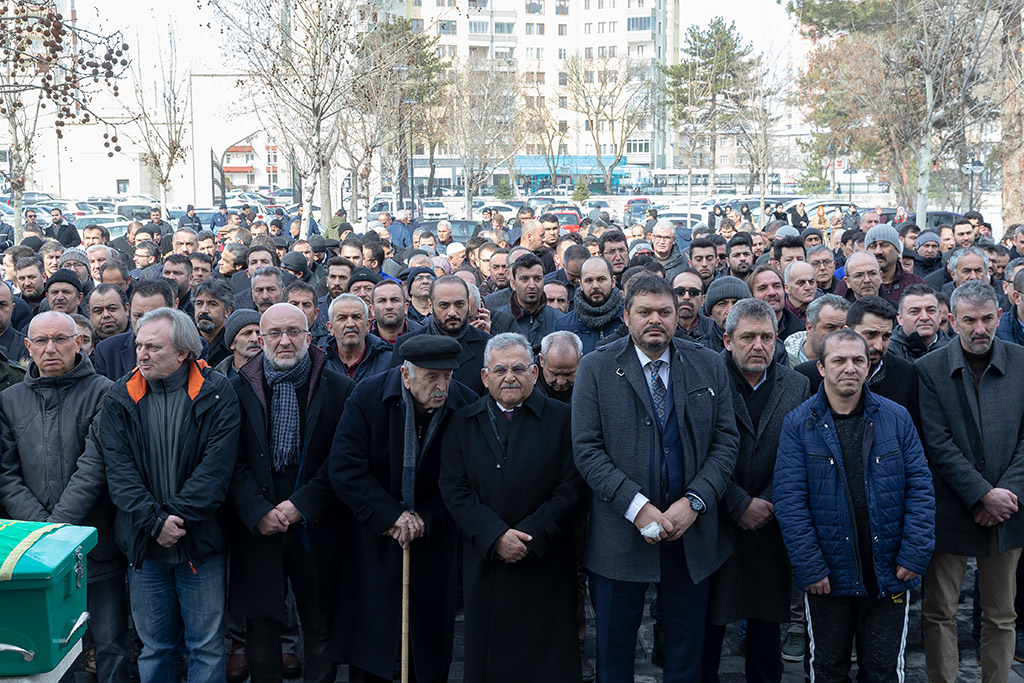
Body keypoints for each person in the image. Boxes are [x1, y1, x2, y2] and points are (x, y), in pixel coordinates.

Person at [572, 274, 739, 681]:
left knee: (686, 649)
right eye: (644, 311)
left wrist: (695, 502)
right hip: (619, 535)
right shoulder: (595, 368)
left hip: (691, 534)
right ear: (626, 315)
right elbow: (587, 450)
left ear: (678, 315)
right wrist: (637, 506)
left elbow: (726, 442)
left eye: (664, 312)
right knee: (614, 648)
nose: (655, 320)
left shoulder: (709, 363)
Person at [774, 329, 934, 682]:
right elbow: (789, 501)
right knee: (828, 669)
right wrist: (810, 567)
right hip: (827, 576)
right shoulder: (798, 424)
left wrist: (914, 553)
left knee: (883, 670)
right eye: (839, 360)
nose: (850, 368)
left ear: (868, 367)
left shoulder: (896, 418)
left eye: (858, 360)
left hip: (888, 571)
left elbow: (921, 488)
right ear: (820, 367)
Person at [100, 307, 241, 683]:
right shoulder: (119, 396)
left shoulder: (215, 391)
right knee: (155, 648)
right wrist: (154, 522)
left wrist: (174, 519)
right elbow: (119, 471)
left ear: (183, 353)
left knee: (207, 647)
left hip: (199, 543)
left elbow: (216, 469)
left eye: (153, 348)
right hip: (145, 546)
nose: (141, 355)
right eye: (139, 346)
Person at [328, 335, 477, 682]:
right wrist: (391, 516)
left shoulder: (464, 404)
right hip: (375, 537)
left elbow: (466, 479)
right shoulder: (367, 396)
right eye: (431, 377)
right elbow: (344, 467)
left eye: (447, 376)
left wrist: (426, 516)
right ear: (406, 376)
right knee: (371, 639)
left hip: (433, 537)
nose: (442, 387)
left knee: (427, 647)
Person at [440, 333, 586, 683]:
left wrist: (529, 538)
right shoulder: (462, 422)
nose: (510, 377)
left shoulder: (564, 419)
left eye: (519, 368)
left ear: (535, 373)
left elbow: (573, 488)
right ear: (485, 376)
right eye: (500, 369)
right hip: (487, 561)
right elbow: (453, 488)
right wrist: (495, 536)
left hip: (545, 560)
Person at [0, 311, 128, 683]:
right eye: (41, 341)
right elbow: (5, 474)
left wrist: (57, 529)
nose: (50, 348)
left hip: (95, 542)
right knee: (50, 647)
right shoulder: (9, 400)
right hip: (33, 551)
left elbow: (96, 465)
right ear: (28, 347)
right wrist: (43, 531)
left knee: (110, 642)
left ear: (79, 343)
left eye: (60, 339)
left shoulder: (104, 391)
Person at [228, 303, 353, 683]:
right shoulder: (236, 389)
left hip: (315, 522)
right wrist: (259, 511)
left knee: (319, 623)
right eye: (275, 333)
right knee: (261, 626)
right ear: (259, 340)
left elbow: (342, 459)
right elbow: (228, 462)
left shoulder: (338, 388)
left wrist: (301, 506)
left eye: (293, 332)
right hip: (258, 524)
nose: (285, 341)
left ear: (310, 336)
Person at [917, 280, 1024, 682]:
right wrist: (980, 493)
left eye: (987, 319)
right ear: (951, 321)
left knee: (1001, 613)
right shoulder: (928, 370)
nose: (979, 329)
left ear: (1000, 316)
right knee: (940, 610)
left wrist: (1004, 494)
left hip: (1009, 509)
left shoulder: (1022, 362)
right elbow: (936, 442)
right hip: (952, 508)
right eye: (969, 321)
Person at [701, 299, 809, 683]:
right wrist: (737, 501)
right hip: (717, 514)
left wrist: (768, 501)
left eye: (766, 337)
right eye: (748, 337)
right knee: (709, 624)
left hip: (770, 518)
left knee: (766, 625)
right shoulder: (706, 378)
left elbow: (800, 454)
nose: (758, 346)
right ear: (728, 340)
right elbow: (699, 449)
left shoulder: (797, 384)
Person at [393, 275, 491, 395]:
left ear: (469, 305)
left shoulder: (487, 346)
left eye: (459, 304)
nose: (452, 313)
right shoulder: (405, 345)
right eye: (444, 305)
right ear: (430, 306)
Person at [93, 278, 177, 382]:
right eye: (138, 316)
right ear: (129, 310)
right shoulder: (107, 350)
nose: (144, 324)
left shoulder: (194, 348)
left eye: (154, 317)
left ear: (173, 311)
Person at [555, 257, 624, 354]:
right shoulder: (563, 326)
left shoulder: (628, 321)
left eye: (601, 279)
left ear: (613, 281)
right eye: (588, 280)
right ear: (581, 284)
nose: (595, 286)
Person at [325, 293, 393, 382]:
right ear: (331, 328)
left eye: (356, 317)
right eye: (342, 318)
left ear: (368, 325)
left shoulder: (389, 361)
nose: (350, 324)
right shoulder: (319, 362)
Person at [784, 294, 851, 368]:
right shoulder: (784, 361)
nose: (839, 335)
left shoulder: (855, 361)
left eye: (843, 328)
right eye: (830, 327)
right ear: (810, 328)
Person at [889, 284, 949, 361]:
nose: (924, 317)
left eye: (931, 311)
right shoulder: (888, 352)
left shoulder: (954, 349)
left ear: (939, 315)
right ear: (900, 319)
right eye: (914, 312)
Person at [193, 278, 234, 366]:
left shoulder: (234, 344)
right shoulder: (184, 340)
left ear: (227, 311)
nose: (204, 310)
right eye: (199, 303)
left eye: (212, 304)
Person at [538, 330, 582, 403]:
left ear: (580, 360)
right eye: (554, 373)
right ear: (541, 360)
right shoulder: (526, 386)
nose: (561, 382)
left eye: (568, 374)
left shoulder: (592, 383)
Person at [215, 309, 262, 379]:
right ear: (232, 344)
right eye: (247, 333)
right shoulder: (217, 379)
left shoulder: (274, 375)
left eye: (259, 333)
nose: (255, 339)